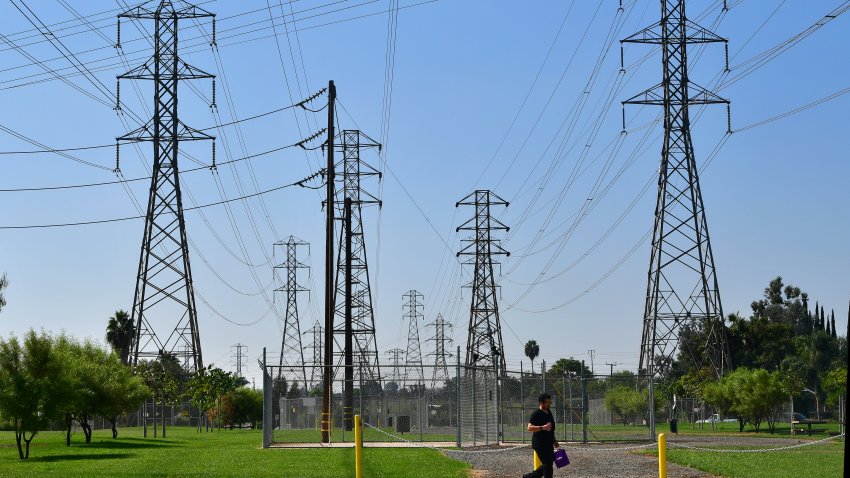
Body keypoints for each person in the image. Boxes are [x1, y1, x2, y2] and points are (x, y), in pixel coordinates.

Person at [523, 393, 559, 478]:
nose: (549, 404)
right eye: (547, 402)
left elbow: (551, 429)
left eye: (550, 402)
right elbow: (529, 427)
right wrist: (542, 427)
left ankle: (530, 477)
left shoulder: (549, 412)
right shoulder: (536, 414)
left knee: (549, 462)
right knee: (548, 465)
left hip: (548, 443)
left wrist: (554, 441)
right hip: (539, 444)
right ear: (541, 402)